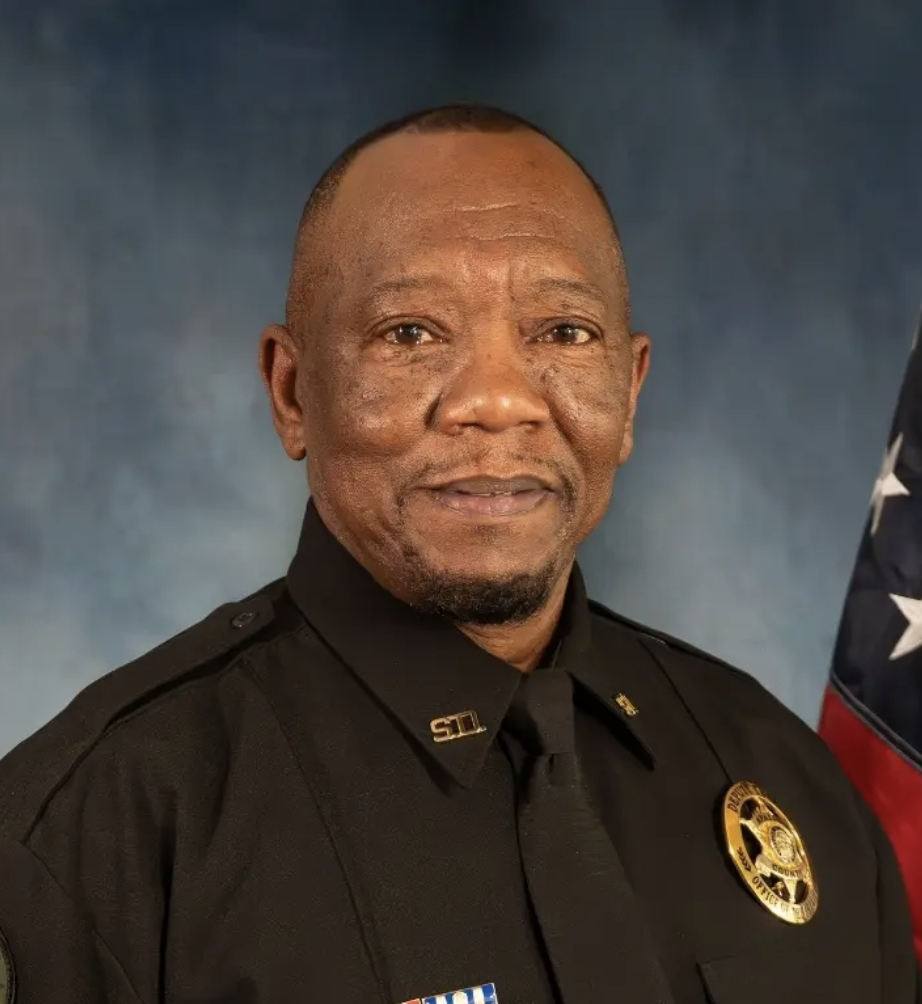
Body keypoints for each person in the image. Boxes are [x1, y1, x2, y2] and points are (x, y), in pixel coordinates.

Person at [0, 104, 917, 1004]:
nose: (498, 401)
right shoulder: (96, 836)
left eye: (563, 332)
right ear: (292, 392)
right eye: (410, 333)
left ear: (630, 391)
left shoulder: (786, 775)